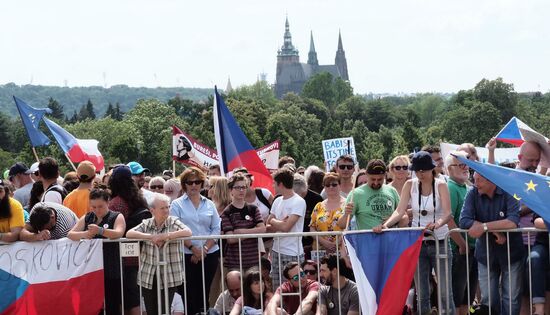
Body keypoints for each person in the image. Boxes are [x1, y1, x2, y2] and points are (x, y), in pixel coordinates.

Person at [380, 151, 454, 314]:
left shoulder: (441, 184)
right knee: (422, 293)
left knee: (444, 292)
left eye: (424, 170)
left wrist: (437, 223)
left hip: (439, 240)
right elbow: (400, 211)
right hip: (418, 242)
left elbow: (448, 213)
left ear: (431, 169)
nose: (420, 173)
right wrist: (386, 225)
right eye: (418, 170)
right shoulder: (410, 185)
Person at [459, 172, 523, 315]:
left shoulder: (508, 191)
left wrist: (484, 227)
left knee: (511, 297)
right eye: (474, 180)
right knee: (488, 298)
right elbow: (464, 220)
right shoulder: (472, 194)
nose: (475, 184)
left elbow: (512, 221)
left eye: (479, 180)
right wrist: (492, 230)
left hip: (511, 253)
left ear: (491, 181)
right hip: (485, 255)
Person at [126, 193, 192, 315]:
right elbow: (129, 233)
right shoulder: (147, 223)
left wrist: (167, 236)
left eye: (168, 207)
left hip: (170, 274)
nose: (166, 210)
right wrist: (151, 237)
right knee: (151, 310)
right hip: (149, 274)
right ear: (152, 210)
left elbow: (188, 232)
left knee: (165, 309)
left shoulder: (173, 222)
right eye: (163, 208)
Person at [170, 166, 221, 315]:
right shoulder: (176, 204)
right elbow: (176, 228)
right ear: (184, 184)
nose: (193, 185)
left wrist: (204, 249)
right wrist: (193, 248)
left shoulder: (210, 204)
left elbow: (216, 228)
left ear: (201, 183)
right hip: (186, 254)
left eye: (197, 182)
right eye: (189, 182)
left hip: (209, 254)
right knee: (188, 293)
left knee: (204, 292)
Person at [68, 187, 126, 315]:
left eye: (100, 206)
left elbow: (118, 232)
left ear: (108, 202)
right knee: (93, 305)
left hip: (111, 266)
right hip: (91, 269)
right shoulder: (88, 217)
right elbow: (71, 234)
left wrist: (101, 231)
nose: (97, 210)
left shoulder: (116, 216)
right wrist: (84, 234)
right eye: (93, 207)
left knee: (112, 304)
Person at [108, 165, 151, 315]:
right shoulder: (138, 198)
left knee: (126, 300)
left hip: (120, 259)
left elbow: (113, 229)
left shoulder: (116, 203)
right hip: (135, 255)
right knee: (132, 297)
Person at [444, 151, 477, 315]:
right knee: (458, 294)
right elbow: (449, 219)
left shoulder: (467, 187)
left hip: (471, 248)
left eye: (467, 164)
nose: (466, 168)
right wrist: (462, 244)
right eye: (462, 164)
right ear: (450, 169)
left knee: (468, 296)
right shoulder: (450, 187)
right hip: (460, 249)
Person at [266, 168, 307, 288]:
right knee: (277, 288)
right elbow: (267, 226)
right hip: (276, 251)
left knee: (294, 289)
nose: (273, 186)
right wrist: (279, 223)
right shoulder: (277, 200)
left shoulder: (299, 201)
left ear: (281, 184)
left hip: (292, 253)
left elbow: (286, 227)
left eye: (274, 183)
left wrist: (274, 221)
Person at [337, 159, 400, 231]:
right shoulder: (355, 194)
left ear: (385, 175)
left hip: (391, 240)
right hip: (367, 240)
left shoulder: (392, 191)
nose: (376, 183)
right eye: (373, 179)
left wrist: (391, 221)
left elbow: (404, 217)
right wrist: (346, 214)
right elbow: (341, 225)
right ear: (366, 174)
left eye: (380, 179)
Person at [221, 173, 266, 271]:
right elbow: (230, 239)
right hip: (234, 262)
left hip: (253, 261)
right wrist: (254, 231)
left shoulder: (253, 209)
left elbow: (262, 229)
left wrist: (241, 232)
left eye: (244, 187)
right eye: (237, 187)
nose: (241, 190)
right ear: (230, 190)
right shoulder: (227, 212)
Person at [310, 172, 346, 256]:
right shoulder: (318, 206)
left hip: (341, 250)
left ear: (340, 186)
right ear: (324, 188)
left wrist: (336, 243)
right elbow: (312, 228)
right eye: (327, 185)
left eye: (334, 184)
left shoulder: (347, 205)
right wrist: (325, 243)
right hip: (320, 251)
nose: (331, 187)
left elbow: (350, 227)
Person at [293, 173, 323, 257]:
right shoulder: (288, 198)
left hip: (312, 242)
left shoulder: (317, 199)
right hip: (294, 242)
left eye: (301, 194)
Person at [529, 214, 550, 315]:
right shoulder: (544, 198)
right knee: (535, 258)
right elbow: (537, 221)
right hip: (543, 244)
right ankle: (539, 310)